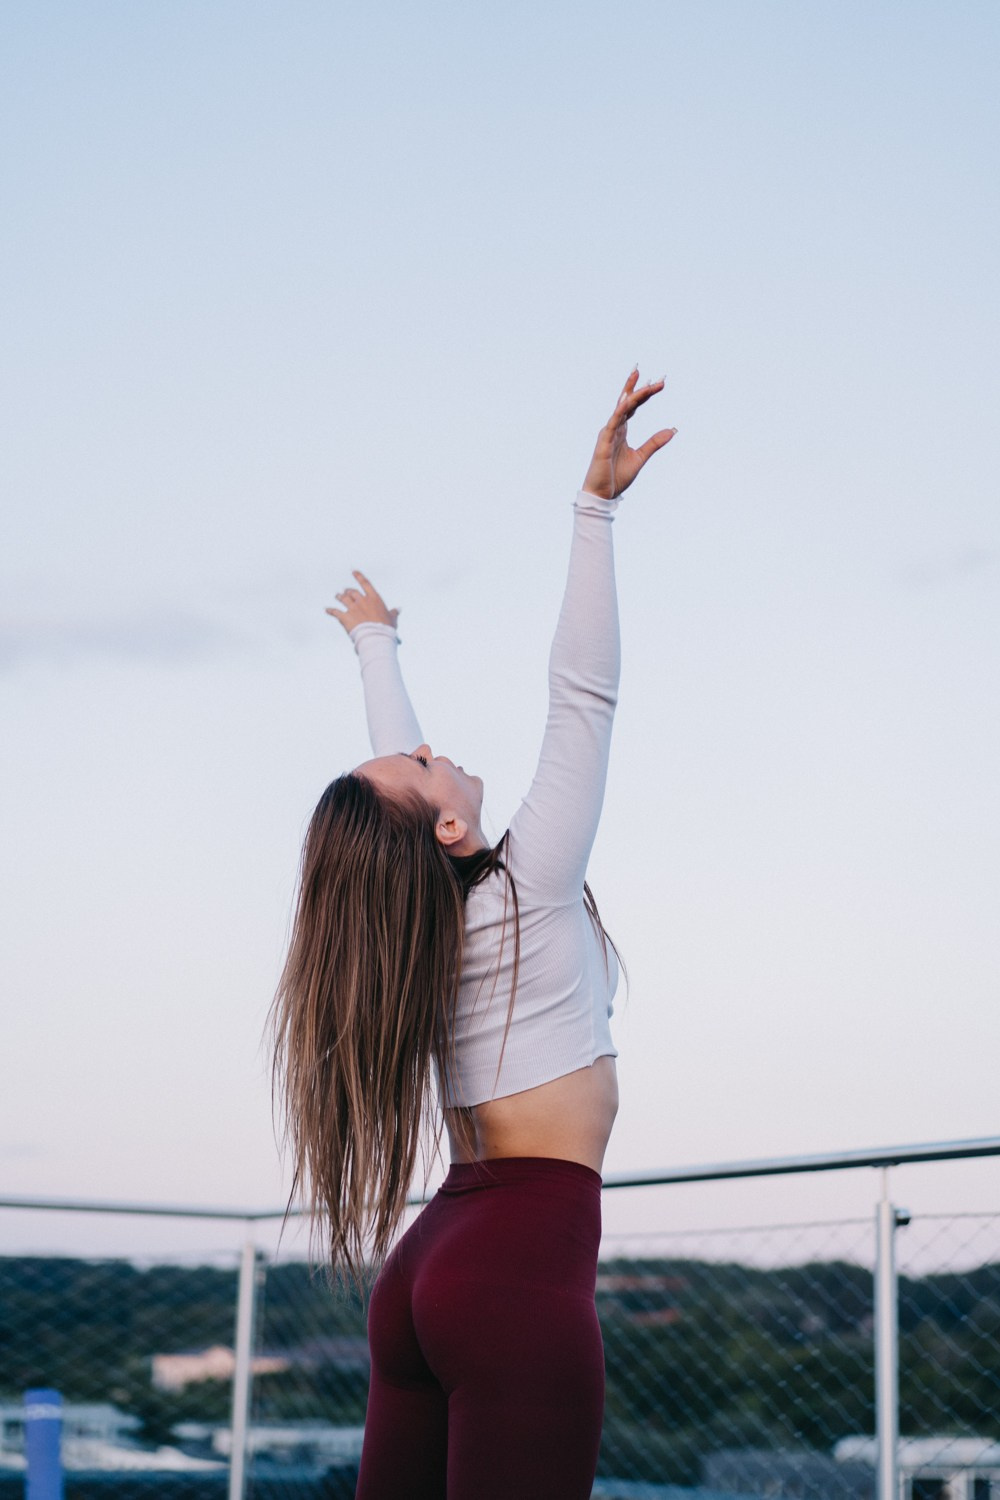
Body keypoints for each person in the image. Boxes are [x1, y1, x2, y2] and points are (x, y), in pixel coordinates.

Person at [271, 370, 676, 1499]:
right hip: (510, 1278)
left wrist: (376, 646)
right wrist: (594, 512)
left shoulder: (424, 921)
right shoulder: (527, 886)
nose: (428, 742)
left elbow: (396, 788)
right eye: (420, 761)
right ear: (447, 822)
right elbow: (581, 696)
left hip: (430, 1270)